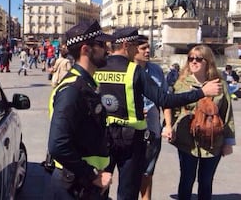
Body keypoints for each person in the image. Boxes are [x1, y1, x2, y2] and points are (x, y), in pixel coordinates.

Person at [94, 27, 222, 200]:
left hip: (102, 138)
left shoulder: (97, 68)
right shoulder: (134, 71)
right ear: (125, 46)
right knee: (127, 191)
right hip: (131, 141)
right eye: (134, 46)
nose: (136, 50)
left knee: (100, 186)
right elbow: (164, 100)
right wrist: (201, 92)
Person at [47, 20, 114, 199]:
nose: (107, 49)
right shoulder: (72, 90)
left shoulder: (86, 84)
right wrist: (91, 174)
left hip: (85, 181)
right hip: (76, 185)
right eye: (101, 45)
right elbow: (57, 145)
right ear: (85, 49)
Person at [163, 45, 236, 200]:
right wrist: (170, 127)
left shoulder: (220, 84)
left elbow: (227, 113)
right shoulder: (181, 83)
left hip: (212, 141)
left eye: (198, 59)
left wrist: (228, 142)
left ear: (208, 62)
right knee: (186, 179)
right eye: (190, 58)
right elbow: (171, 107)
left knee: (206, 182)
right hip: (187, 141)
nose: (193, 62)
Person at [133, 35, 173, 200]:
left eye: (148, 47)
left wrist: (168, 125)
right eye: (143, 48)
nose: (148, 51)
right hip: (129, 129)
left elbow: (165, 99)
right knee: (128, 171)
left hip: (152, 128)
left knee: (147, 171)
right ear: (132, 49)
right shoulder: (125, 69)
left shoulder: (156, 70)